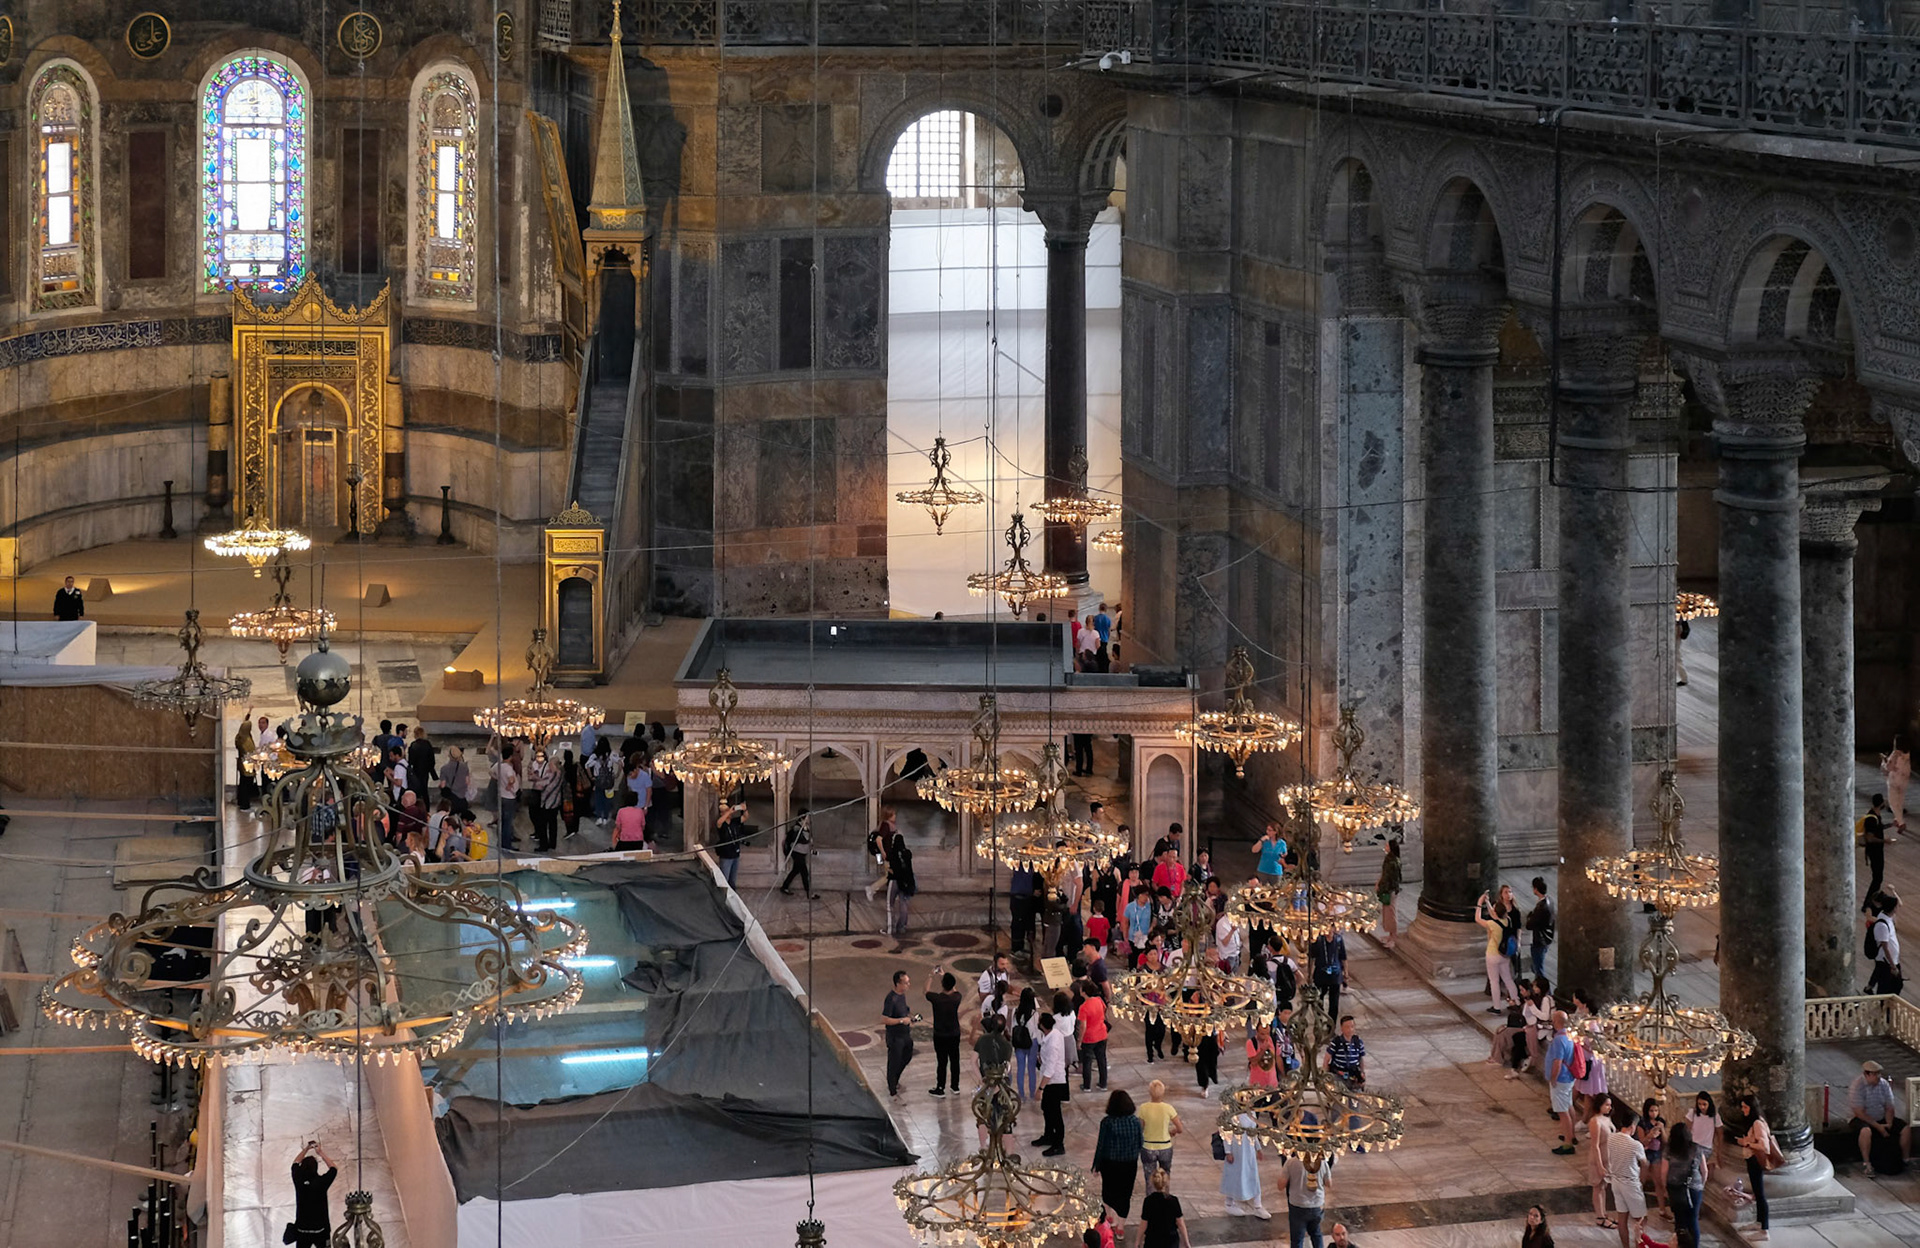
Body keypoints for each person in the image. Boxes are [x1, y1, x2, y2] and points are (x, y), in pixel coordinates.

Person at [1091, 1089, 1143, 1237]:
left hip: (1110, 1163)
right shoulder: (1135, 1121)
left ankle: (1110, 1218)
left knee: (1108, 1191)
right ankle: (1121, 1227)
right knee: (1125, 1194)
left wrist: (1096, 1165)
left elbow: (1101, 1145)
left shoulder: (1107, 1122)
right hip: (1129, 1164)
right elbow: (1141, 1142)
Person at [1849, 1059, 1912, 1173]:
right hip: (1864, 1119)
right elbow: (1859, 1112)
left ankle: (1905, 1159)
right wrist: (1878, 1126)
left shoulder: (1883, 1084)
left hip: (1881, 1116)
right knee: (1865, 1131)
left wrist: (1889, 1124)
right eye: (1875, 1074)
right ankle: (1866, 1163)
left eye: (1879, 1073)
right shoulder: (1858, 1086)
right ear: (1867, 1074)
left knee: (1905, 1129)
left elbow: (1889, 1106)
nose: (1878, 1076)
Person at [1602, 1107, 1648, 1248]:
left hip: (1616, 1181)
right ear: (1633, 1126)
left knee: (1622, 1219)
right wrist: (1642, 1182)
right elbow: (1645, 1164)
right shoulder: (1635, 1145)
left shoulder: (1611, 1138)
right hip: (1630, 1183)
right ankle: (1638, 1245)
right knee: (1641, 1219)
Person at [1734, 1093, 1774, 1239]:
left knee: (1760, 1194)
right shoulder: (1754, 1122)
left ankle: (1764, 1230)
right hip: (1751, 1159)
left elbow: (1764, 1146)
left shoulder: (1757, 1123)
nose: (1743, 1110)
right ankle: (1759, 1221)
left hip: (1756, 1160)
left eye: (1745, 1107)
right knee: (1757, 1193)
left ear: (1752, 1108)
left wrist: (1747, 1143)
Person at [1220, 1108, 1270, 1219]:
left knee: (1253, 1175)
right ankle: (1229, 1203)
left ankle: (1258, 1206)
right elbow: (1225, 1131)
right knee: (1234, 1175)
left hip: (1249, 1149)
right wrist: (1228, 1151)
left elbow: (1253, 1132)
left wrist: (1258, 1149)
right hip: (1236, 1149)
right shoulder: (1230, 1113)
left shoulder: (1252, 1113)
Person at [922, 967, 964, 1097]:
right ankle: (955, 1086)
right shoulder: (957, 997)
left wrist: (931, 975)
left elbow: (926, 991)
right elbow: (953, 989)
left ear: (942, 985)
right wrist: (944, 975)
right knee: (955, 1059)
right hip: (955, 1033)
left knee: (942, 1061)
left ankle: (940, 1087)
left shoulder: (937, 998)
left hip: (940, 1034)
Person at [288, 1142, 338, 1248]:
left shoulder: (298, 1180)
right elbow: (333, 1168)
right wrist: (320, 1152)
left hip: (302, 1230)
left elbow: (295, 1163)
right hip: (321, 1229)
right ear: (316, 1168)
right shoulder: (321, 1182)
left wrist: (306, 1149)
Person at [1033, 1013, 1070, 1156]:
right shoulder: (1053, 1034)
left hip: (1054, 1082)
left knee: (1055, 1114)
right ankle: (1048, 1135)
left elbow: (1051, 1068)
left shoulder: (1053, 1043)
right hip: (1050, 1079)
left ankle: (1058, 1144)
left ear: (1042, 1025)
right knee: (1046, 1109)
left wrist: (1040, 1088)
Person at [1477, 889, 1519, 1012]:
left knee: (1494, 981)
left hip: (1493, 955)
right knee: (1508, 979)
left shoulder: (1491, 924)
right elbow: (1495, 913)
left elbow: (1477, 918)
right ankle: (1516, 1001)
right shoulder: (1507, 920)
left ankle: (1496, 1007)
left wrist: (1480, 903)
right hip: (1505, 955)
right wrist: (1488, 902)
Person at [1280, 1151, 1331, 1248]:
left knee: (1297, 1240)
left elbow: (1280, 1186)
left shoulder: (1291, 1163)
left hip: (1298, 1206)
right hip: (1317, 1206)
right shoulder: (1322, 1163)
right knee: (1316, 1235)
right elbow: (1329, 1184)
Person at [1665, 1122, 1705, 1248]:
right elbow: (1705, 1170)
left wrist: (1664, 1187)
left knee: (1680, 1221)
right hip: (1694, 1188)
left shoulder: (1669, 1149)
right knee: (1693, 1220)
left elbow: (1663, 1171)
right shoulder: (1697, 1148)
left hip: (1675, 1188)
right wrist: (1701, 1185)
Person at [1547, 1011, 1579, 1154]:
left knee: (1562, 1111)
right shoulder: (1570, 1036)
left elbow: (1557, 1062)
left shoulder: (1559, 1040)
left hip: (1560, 1079)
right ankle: (1571, 1135)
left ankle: (1567, 1144)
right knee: (1568, 1105)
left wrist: (1553, 1078)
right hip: (1568, 1077)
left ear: (1556, 1021)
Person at [881, 970, 915, 1097]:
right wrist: (901, 1020)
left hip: (905, 1034)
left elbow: (904, 1011)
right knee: (894, 1061)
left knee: (907, 1056)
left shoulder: (902, 996)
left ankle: (895, 1079)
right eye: (906, 983)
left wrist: (910, 1018)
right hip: (895, 1037)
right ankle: (892, 1089)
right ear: (898, 984)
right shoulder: (891, 999)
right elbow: (884, 1019)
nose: (908, 985)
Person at [1137, 1078, 1181, 1177]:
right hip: (1165, 1146)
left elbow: (1140, 1128)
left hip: (1148, 1146)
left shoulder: (1143, 1108)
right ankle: (1164, 1192)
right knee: (1165, 1176)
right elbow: (1180, 1128)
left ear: (1149, 1092)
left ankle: (1151, 1192)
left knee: (1149, 1177)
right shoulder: (1168, 1108)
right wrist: (1171, 1132)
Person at [1139, 1168, 1191, 1248]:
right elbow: (1180, 1223)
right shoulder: (1173, 1201)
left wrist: (1138, 1241)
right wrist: (1186, 1243)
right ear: (1167, 1183)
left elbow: (1143, 1224)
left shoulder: (1148, 1201)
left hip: (1153, 1240)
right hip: (1170, 1241)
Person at [1865, 889, 1903, 996]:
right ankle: (1884, 1009)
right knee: (1885, 988)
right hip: (1886, 962)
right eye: (1896, 907)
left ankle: (1886, 1008)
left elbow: (1899, 903)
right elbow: (1885, 947)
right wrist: (1893, 966)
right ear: (1892, 908)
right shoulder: (1882, 925)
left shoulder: (1887, 917)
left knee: (1896, 986)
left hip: (1891, 961)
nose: (1897, 908)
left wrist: (1894, 891)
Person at [1685, 1092, 1723, 1188]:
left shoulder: (1715, 1116)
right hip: (1694, 1146)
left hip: (1706, 1147)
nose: (1702, 1107)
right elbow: (1687, 1130)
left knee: (1702, 1169)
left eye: (1704, 1104)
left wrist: (1719, 1151)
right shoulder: (1693, 1113)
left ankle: (1699, 1186)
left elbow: (1720, 1134)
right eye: (1699, 1104)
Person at [1077, 980, 1110, 1090]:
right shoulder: (1099, 1000)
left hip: (1089, 1037)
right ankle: (1103, 1084)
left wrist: (1079, 1041)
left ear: (1084, 992)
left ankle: (1087, 1086)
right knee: (1102, 1060)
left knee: (1087, 1062)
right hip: (1101, 1033)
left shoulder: (1083, 1007)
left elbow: (1083, 1026)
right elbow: (1104, 1012)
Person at [1308, 931, 1347, 1023]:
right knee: (1318, 999)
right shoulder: (1317, 940)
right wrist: (1309, 974)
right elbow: (1312, 958)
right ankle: (1319, 1021)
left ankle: (1331, 1024)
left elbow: (1343, 957)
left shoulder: (1339, 939)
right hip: (1321, 974)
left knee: (1334, 1002)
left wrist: (1346, 972)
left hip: (1335, 975)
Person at [887, 826, 918, 942]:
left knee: (889, 904)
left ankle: (891, 928)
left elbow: (891, 867)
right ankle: (902, 927)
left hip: (895, 880)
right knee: (903, 904)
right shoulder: (907, 853)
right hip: (905, 881)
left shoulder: (892, 853)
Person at [779, 810, 818, 897]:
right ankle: (809, 893)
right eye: (807, 817)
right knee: (805, 873)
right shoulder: (796, 828)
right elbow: (792, 840)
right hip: (797, 854)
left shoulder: (806, 827)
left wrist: (811, 849)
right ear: (802, 818)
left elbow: (808, 840)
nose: (809, 819)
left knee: (795, 871)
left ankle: (784, 887)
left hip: (802, 853)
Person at [1011, 986, 1040, 1098]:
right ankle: (1032, 1093)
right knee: (1031, 1069)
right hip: (1031, 1042)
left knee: (1020, 1068)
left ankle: (1021, 1094)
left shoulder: (1015, 1011)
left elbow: (1012, 1027)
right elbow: (1036, 1031)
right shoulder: (1034, 1014)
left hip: (1019, 1042)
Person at [712, 798, 748, 886]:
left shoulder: (734, 821)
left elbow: (745, 817)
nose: (729, 812)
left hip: (735, 854)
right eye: (725, 811)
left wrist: (745, 809)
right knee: (724, 879)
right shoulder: (721, 823)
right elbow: (719, 822)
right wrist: (729, 811)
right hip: (726, 855)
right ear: (721, 813)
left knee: (732, 880)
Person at [1324, 1014, 1366, 1087]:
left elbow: (1361, 1059)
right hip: (1339, 1075)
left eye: (1352, 1027)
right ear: (1342, 1028)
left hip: (1354, 1075)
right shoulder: (1335, 1043)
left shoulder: (1358, 1042)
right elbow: (1326, 1060)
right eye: (1347, 1027)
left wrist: (1362, 1073)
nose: (1350, 1030)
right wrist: (1326, 1076)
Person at [1525, 877, 1554, 980]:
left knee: (1538, 969)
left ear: (1535, 889)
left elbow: (1529, 925)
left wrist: (1529, 917)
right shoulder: (1549, 901)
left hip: (1539, 941)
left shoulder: (1541, 907)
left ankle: (1545, 992)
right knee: (1536, 966)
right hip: (1546, 938)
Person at [1376, 837, 1402, 949]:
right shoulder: (1389, 859)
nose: (1385, 847)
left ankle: (1394, 937)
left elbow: (1391, 878)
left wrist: (1383, 887)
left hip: (1390, 890)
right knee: (1387, 913)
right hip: (1386, 889)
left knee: (1391, 914)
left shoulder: (1393, 862)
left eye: (1387, 845)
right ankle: (1390, 935)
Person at [1862, 793, 1890, 899]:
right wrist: (1884, 841)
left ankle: (1872, 901)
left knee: (1878, 878)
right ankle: (1868, 903)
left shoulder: (1876, 815)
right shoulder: (1872, 818)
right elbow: (1869, 837)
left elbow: (1879, 828)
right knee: (1877, 878)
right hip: (1874, 851)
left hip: (1878, 850)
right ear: (1881, 803)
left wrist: (1891, 824)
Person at [1882, 734, 1910, 832]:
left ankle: (1901, 823)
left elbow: (1889, 767)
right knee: (1900, 801)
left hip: (1894, 780)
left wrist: (1884, 760)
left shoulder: (1895, 753)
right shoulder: (1907, 754)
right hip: (1904, 780)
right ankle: (1898, 818)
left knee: (1893, 802)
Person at [495, 746, 521, 851]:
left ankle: (501, 841)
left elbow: (491, 773)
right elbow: (511, 779)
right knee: (507, 821)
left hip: (501, 795)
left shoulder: (498, 765)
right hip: (509, 797)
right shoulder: (508, 768)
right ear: (510, 756)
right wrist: (510, 785)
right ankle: (506, 844)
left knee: (503, 821)